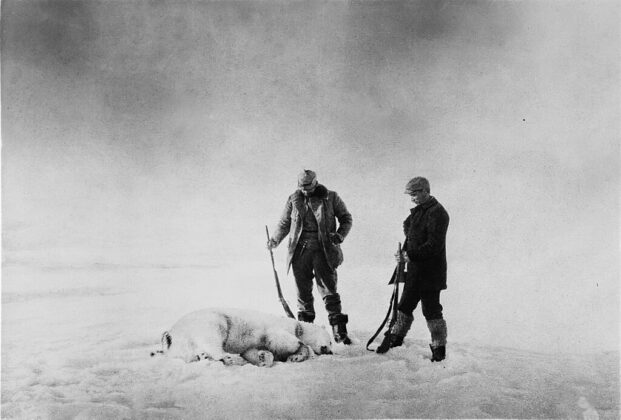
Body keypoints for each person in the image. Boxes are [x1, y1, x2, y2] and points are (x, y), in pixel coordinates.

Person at [267, 170, 353, 344]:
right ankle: (306, 330)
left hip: (324, 251)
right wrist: (275, 240)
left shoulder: (332, 197)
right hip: (300, 252)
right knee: (303, 291)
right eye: (301, 186)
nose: (304, 190)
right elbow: (285, 223)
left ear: (315, 183)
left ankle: (339, 330)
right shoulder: (293, 199)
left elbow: (346, 218)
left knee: (328, 289)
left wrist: (339, 235)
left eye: (307, 186)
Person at [376, 176, 450, 362]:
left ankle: (438, 350)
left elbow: (434, 245)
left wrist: (410, 255)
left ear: (425, 191)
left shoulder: (438, 213)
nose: (412, 198)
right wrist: (404, 254)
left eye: (415, 194)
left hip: (431, 273)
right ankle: (394, 341)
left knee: (431, 311)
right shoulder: (419, 212)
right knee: (404, 306)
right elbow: (411, 235)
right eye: (411, 195)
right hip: (415, 271)